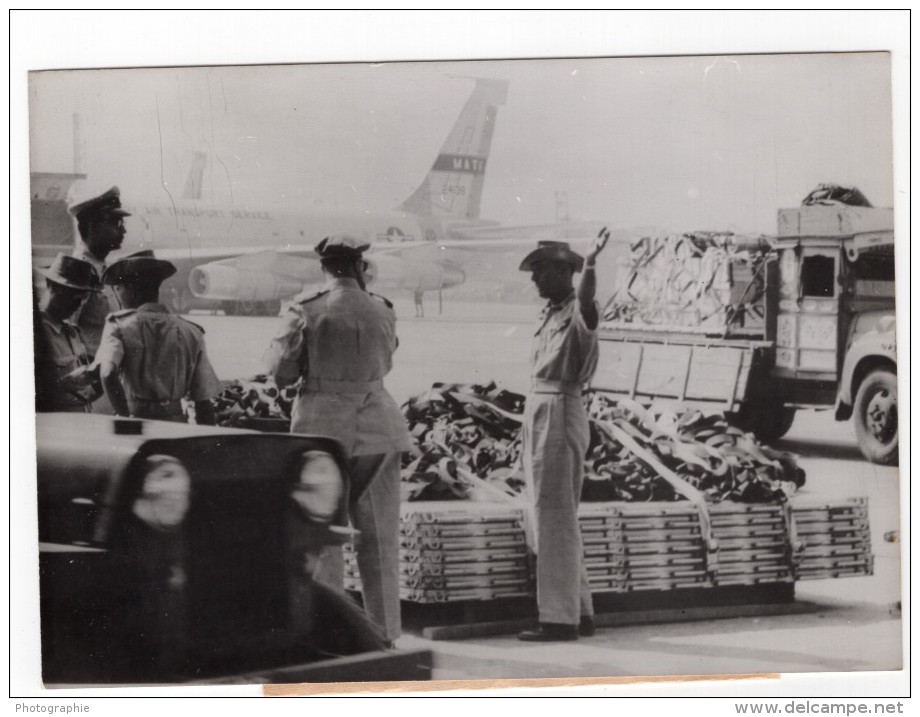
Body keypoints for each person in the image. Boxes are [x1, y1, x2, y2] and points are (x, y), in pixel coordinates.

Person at [263, 233, 411, 645]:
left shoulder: (306, 310)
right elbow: (388, 359)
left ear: (323, 266)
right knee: (380, 538)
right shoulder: (382, 309)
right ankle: (386, 636)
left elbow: (281, 373)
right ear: (359, 265)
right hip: (380, 424)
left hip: (323, 427)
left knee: (322, 534)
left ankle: (328, 635)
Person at [516, 229, 610, 642]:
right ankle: (580, 611)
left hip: (559, 409)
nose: (534, 279)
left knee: (552, 518)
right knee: (558, 516)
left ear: (564, 273)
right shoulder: (552, 313)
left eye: (541, 271)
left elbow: (587, 301)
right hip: (544, 410)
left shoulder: (578, 311)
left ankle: (557, 619)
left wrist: (590, 263)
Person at [94, 250, 220, 424]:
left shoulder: (118, 325)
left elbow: (107, 374)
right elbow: (203, 400)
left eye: (118, 288)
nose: (118, 295)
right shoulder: (191, 331)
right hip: (176, 426)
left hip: (135, 423)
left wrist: (125, 419)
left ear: (130, 289)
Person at [33, 254, 104, 413]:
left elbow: (83, 392)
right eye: (73, 295)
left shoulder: (72, 332)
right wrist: (67, 383)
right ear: (52, 286)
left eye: (83, 297)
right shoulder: (35, 331)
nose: (78, 304)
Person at [68, 186, 130, 357]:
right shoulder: (78, 270)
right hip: (91, 376)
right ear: (93, 227)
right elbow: (63, 333)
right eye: (116, 222)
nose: (123, 230)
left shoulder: (103, 269)